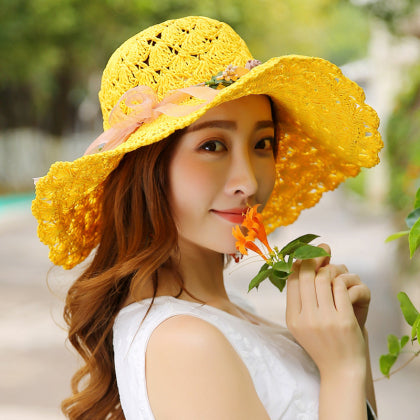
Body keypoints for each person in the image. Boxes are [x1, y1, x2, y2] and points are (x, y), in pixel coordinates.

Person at [32, 16, 383, 420]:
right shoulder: (185, 343)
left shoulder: (222, 312)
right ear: (148, 170)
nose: (248, 181)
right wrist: (341, 369)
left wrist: (350, 341)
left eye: (262, 143)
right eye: (213, 145)